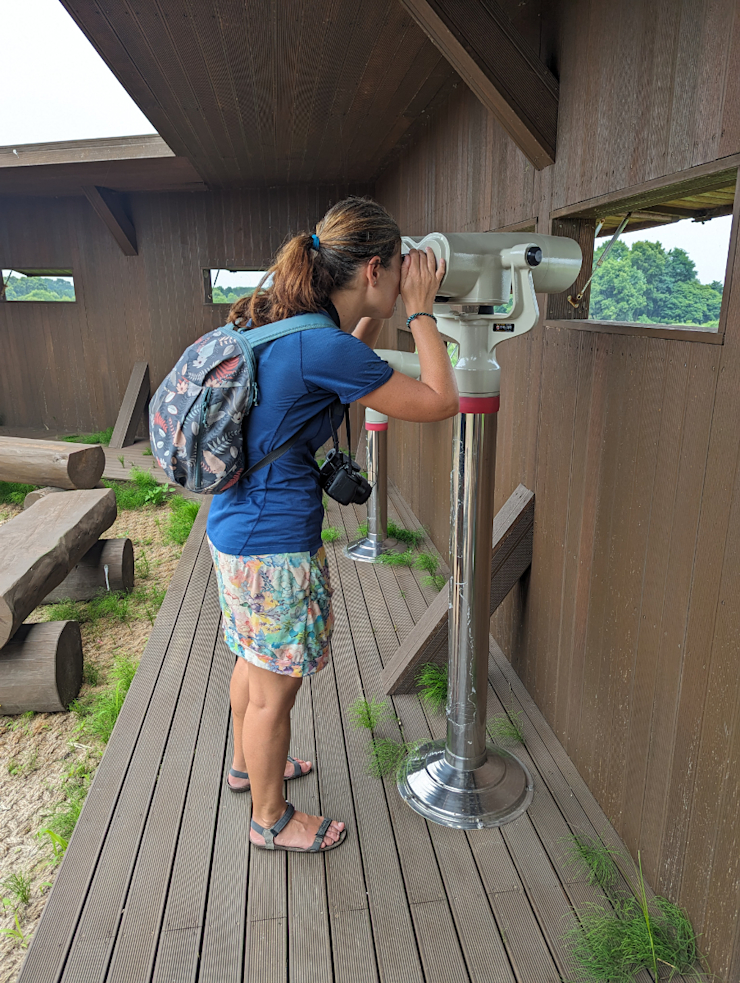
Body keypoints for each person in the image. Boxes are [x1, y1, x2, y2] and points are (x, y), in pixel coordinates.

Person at [206, 197, 458, 853]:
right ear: (374, 270)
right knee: (274, 692)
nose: (405, 277)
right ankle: (269, 819)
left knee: (253, 660)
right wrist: (421, 311)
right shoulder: (320, 344)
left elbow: (343, 360)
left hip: (235, 527)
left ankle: (247, 766)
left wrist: (380, 312)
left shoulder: (293, 327)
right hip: (272, 544)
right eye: (399, 267)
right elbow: (440, 400)